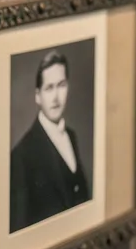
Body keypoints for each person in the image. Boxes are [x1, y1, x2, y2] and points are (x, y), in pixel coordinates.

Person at [9, 51, 91, 233]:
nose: (56, 97)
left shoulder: (71, 136)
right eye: (49, 88)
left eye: (61, 85)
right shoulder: (20, 155)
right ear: (37, 96)